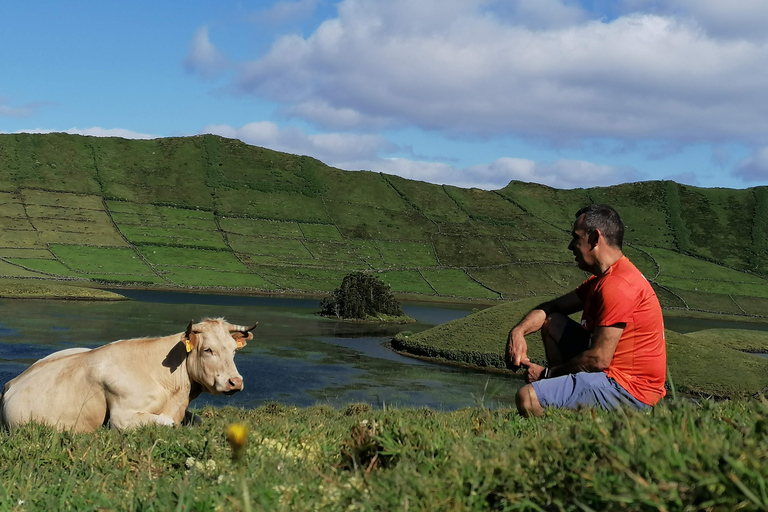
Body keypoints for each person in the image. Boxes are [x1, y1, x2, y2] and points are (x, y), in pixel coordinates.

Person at [506, 204, 666, 417]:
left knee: (527, 398)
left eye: (576, 237)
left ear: (594, 238)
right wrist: (518, 332)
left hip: (631, 391)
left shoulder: (618, 285)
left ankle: (559, 430)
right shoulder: (602, 280)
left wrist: (546, 374)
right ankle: (562, 399)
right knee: (553, 322)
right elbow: (551, 308)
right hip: (611, 375)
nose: (571, 246)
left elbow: (598, 359)